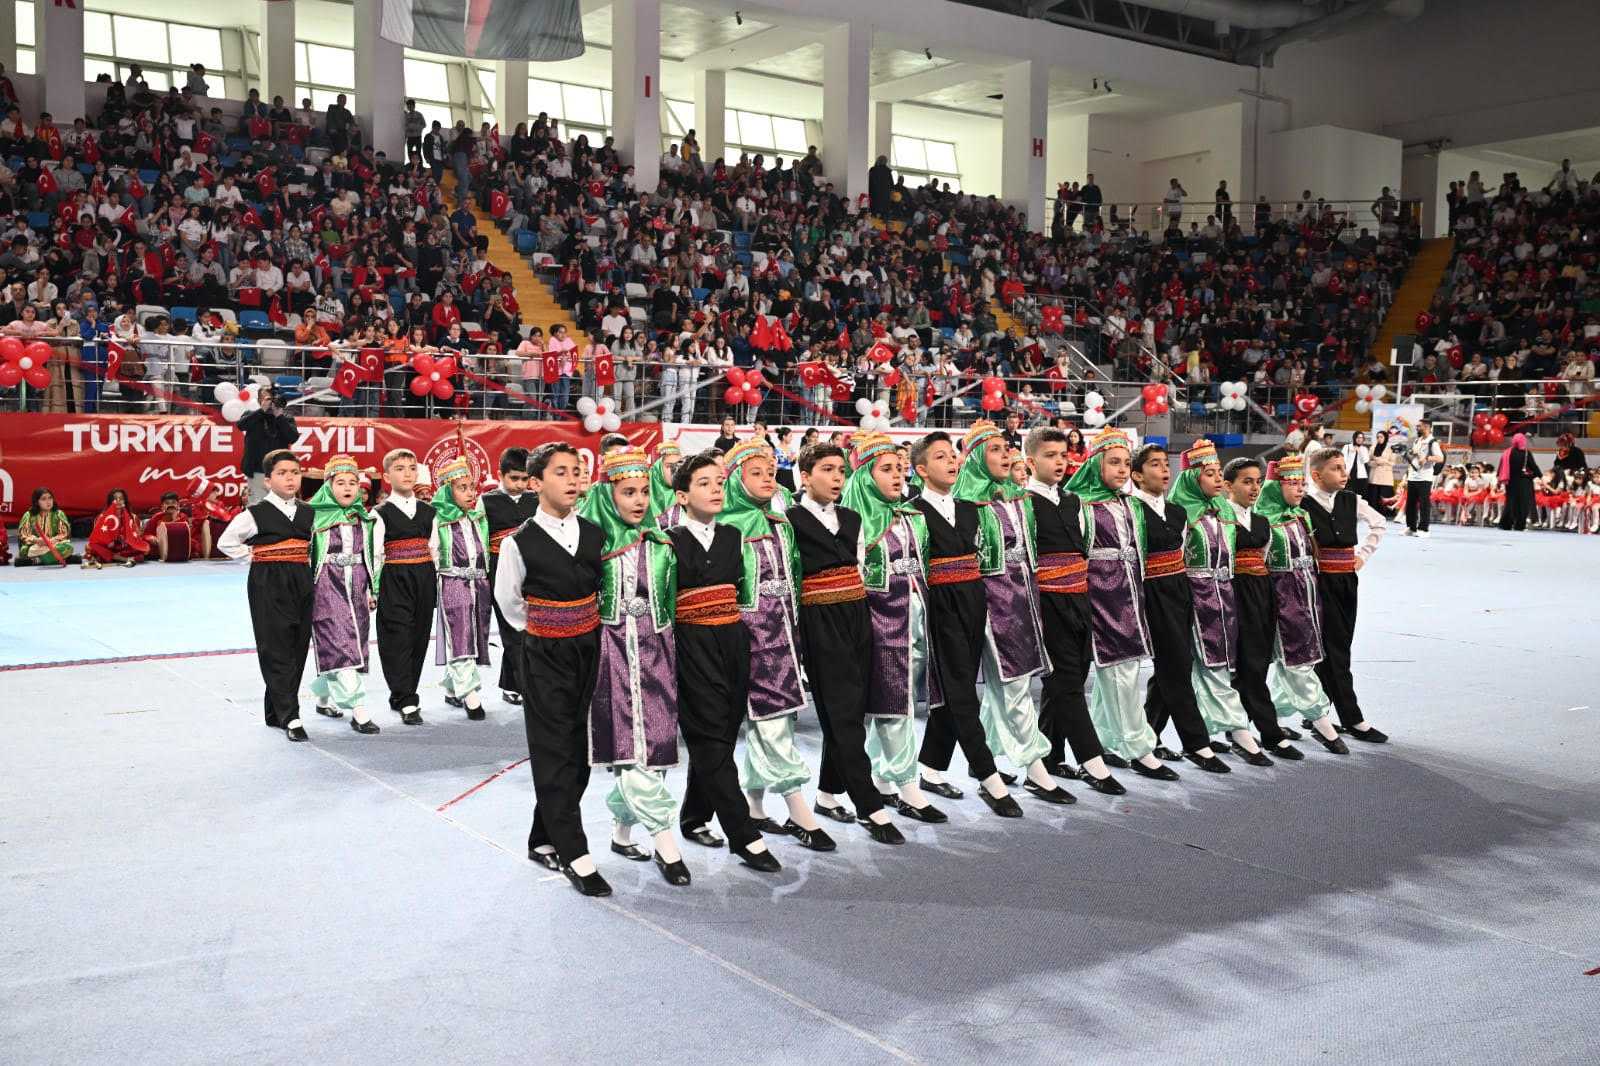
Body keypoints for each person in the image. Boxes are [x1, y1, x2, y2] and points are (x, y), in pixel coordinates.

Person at [493, 442, 608, 896]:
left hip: (590, 648)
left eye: (577, 471)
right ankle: (574, 852)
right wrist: (548, 627)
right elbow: (509, 604)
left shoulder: (596, 534)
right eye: (561, 472)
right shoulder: (517, 542)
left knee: (579, 753)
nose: (573, 479)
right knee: (554, 749)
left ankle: (542, 837)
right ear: (535, 483)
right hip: (544, 654)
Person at [576, 448, 691, 886]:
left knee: (655, 745)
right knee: (629, 745)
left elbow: (673, 602)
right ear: (609, 494)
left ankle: (621, 833)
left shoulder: (662, 542)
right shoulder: (590, 545)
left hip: (657, 649)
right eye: (628, 492)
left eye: (644, 491)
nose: (640, 500)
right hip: (610, 650)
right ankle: (666, 842)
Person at [711, 441, 834, 850]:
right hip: (749, 636)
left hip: (785, 634)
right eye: (756, 473)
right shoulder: (725, 527)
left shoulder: (781, 523)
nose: (767, 479)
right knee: (771, 717)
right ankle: (799, 810)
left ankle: (755, 804)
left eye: (770, 472)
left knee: (777, 717)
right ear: (735, 480)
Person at [662, 452, 780, 871]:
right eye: (704, 483)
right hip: (691, 643)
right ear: (681, 496)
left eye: (718, 482)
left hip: (733, 640)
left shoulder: (733, 535)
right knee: (710, 737)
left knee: (724, 734)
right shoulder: (668, 541)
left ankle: (694, 816)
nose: (715, 489)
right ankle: (744, 836)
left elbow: (746, 591)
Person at [949, 420, 1075, 806]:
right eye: (995, 450)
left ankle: (982, 760)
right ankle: (1036, 769)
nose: (1006, 456)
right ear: (975, 458)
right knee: (1014, 684)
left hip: (1024, 595)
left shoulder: (1017, 496)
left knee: (1005, 685)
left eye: (1006, 449)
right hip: (990, 600)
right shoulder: (963, 502)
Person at [785, 442, 903, 843]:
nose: (837, 477)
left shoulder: (852, 518)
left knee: (852, 710)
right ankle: (870, 806)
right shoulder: (789, 520)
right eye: (827, 470)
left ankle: (827, 793)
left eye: (841, 470)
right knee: (842, 714)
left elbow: (859, 567)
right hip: (819, 619)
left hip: (857, 615)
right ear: (805, 476)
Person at [908, 432, 1020, 814]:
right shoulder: (912, 513)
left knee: (956, 686)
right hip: (939, 604)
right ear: (922, 470)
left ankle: (931, 768)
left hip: (973, 600)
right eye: (940, 457)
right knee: (961, 693)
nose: (952, 461)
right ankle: (987, 775)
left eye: (953, 455)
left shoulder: (971, 509)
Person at [839, 433, 949, 820]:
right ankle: (908, 785)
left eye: (899, 469)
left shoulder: (910, 516)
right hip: (878, 623)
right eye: (886, 469)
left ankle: (881, 777)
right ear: (866, 476)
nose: (897, 476)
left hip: (915, 620)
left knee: (895, 705)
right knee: (892, 707)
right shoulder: (851, 524)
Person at [1062, 428, 1180, 782]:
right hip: (1101, 596)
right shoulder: (1080, 505)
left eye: (1127, 463)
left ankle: (1105, 739)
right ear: (1095, 464)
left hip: (1130, 594)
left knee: (1118, 672)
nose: (1122, 469)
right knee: (1121, 673)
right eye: (1114, 462)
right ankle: (1139, 747)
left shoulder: (1129, 504)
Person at [1025, 427, 1124, 793]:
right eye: (1049, 455)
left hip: (1080, 598)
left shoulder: (1073, 501)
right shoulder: (1023, 503)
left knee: (1073, 677)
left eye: (1063, 455)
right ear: (1030, 461)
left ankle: (1052, 756)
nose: (1059, 462)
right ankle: (1092, 762)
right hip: (1046, 601)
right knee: (1066, 683)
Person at [1166, 441, 1273, 765]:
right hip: (1193, 598)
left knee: (1194, 670)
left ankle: (1150, 734)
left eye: (1217, 473)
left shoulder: (1223, 512)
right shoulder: (1181, 515)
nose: (1215, 479)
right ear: (1192, 478)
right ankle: (1239, 731)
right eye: (1209, 474)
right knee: (1208, 668)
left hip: (1224, 595)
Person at [1130, 444, 1229, 772]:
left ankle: (1150, 735)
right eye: (1154, 465)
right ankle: (1196, 743)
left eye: (1165, 464)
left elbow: (1183, 551)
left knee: (1172, 666)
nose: (1164, 469)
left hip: (1179, 590)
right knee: (1176, 666)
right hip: (1151, 591)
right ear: (1137, 475)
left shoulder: (1177, 512)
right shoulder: (1131, 510)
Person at [217, 450, 316, 741]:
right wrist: (255, 556)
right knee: (275, 646)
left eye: (295, 472)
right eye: (282, 473)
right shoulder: (255, 513)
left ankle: (275, 711)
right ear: (269, 481)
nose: (290, 478)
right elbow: (226, 542)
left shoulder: (309, 512)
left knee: (297, 646)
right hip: (268, 582)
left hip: (302, 580)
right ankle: (291, 716)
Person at [1258, 456, 1349, 755]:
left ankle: (1274, 715)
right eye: (1293, 484)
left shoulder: (1301, 517)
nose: (1300, 489)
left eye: (1302, 483)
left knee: (1302, 658)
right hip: (1282, 598)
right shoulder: (1263, 522)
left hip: (1308, 596)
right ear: (1276, 487)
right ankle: (1320, 719)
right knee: (1295, 659)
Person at [1303, 448, 1388, 743]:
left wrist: (1363, 555)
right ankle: (1352, 718)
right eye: (1336, 468)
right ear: (1316, 475)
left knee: (1338, 647)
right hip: (1318, 583)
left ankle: (1317, 712)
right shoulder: (1303, 505)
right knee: (1333, 650)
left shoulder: (1351, 500)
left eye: (1344, 467)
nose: (1345, 473)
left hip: (1347, 581)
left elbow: (1379, 522)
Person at [1223, 458, 1305, 760]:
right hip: (1233, 593)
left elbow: (1266, 557)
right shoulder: (1221, 518)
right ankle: (1268, 733)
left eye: (1258, 481)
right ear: (1228, 486)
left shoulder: (1261, 521)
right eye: (1247, 481)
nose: (1254, 488)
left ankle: (1240, 729)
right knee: (1246, 665)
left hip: (1262, 592)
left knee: (1257, 662)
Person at [304, 456, 380, 734]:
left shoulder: (364, 519)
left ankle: (322, 698)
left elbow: (372, 556)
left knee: (353, 643)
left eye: (353, 483)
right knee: (341, 646)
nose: (348, 487)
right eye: (341, 483)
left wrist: (372, 589)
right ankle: (359, 711)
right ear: (328, 486)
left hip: (356, 587)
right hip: (326, 586)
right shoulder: (313, 517)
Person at [371, 449, 436, 726]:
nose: (407, 473)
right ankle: (406, 698)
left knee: (419, 636)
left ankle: (404, 692)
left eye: (411, 468)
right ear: (387, 476)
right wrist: (372, 590)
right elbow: (374, 554)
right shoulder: (379, 513)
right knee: (396, 636)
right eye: (399, 468)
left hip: (424, 577)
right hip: (394, 577)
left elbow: (435, 549)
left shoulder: (429, 511)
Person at [429, 458, 493, 721]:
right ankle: (470, 696)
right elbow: (433, 554)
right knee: (461, 635)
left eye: (471, 487)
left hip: (480, 584)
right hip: (453, 582)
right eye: (462, 488)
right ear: (448, 491)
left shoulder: (478, 518)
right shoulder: (438, 520)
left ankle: (451, 688)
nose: (470, 493)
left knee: (474, 636)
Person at [480, 448, 541, 704]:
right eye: (513, 478)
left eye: (524, 479)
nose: (519, 484)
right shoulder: (486, 502)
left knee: (529, 630)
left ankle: (511, 684)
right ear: (500, 475)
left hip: (532, 571)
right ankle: (523, 686)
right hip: (499, 571)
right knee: (510, 630)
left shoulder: (536, 499)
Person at [238, 387, 299, 504]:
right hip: (256, 471)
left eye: (273, 399)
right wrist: (261, 411)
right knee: (257, 508)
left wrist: (279, 416)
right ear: (259, 400)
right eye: (268, 399)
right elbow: (241, 425)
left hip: (280, 472)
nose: (271, 403)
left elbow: (293, 438)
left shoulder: (286, 418)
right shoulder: (251, 415)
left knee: (282, 507)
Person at [13, 487, 80, 566]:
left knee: (68, 547)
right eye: (43, 499)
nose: (48, 502)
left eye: (50, 498)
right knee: (24, 550)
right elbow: (24, 535)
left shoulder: (58, 514)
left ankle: (37, 560)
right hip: (36, 546)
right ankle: (58, 558)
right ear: (37, 502)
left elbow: (64, 533)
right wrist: (37, 541)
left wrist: (52, 540)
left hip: (54, 545)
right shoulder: (29, 515)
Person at [86, 488, 150, 568]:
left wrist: (127, 540)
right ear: (110, 501)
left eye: (121, 498)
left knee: (145, 547)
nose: (118, 501)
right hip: (108, 548)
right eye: (115, 498)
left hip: (125, 548)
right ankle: (124, 559)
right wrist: (107, 542)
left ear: (125, 501)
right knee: (91, 546)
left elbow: (137, 538)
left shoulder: (133, 517)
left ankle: (112, 557)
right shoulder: (102, 517)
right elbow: (97, 538)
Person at [1403, 420, 1444, 537]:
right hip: (1413, 476)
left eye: (1419, 426)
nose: (1417, 428)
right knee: (1410, 503)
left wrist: (1427, 458)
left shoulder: (1432, 442)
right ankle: (1411, 527)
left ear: (1426, 427)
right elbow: (1414, 457)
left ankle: (1424, 529)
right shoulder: (1417, 440)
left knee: (1424, 503)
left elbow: (1440, 458)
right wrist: (1412, 453)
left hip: (1424, 477)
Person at [1497, 432, 1540, 531]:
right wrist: (1540, 476)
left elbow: (1501, 467)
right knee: (1523, 504)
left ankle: (1505, 524)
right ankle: (1519, 525)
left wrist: (1499, 480)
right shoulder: (1526, 453)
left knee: (1510, 502)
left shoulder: (1507, 453)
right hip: (1524, 482)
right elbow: (1533, 466)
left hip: (1510, 482)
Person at [647, 440, 684, 526]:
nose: (675, 470)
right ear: (657, 469)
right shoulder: (641, 499)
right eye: (670, 466)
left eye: (679, 465)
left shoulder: (689, 496)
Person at [1366, 429, 1397, 518]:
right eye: (1378, 437)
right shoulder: (1372, 447)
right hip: (1374, 476)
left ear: (1385, 438)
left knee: (1385, 496)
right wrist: (1375, 463)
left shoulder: (1391, 448)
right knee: (1373, 496)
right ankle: (1373, 514)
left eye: (1381, 437)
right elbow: (1368, 461)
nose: (1379, 439)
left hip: (1386, 477)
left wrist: (1384, 461)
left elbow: (1393, 463)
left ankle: (1386, 514)